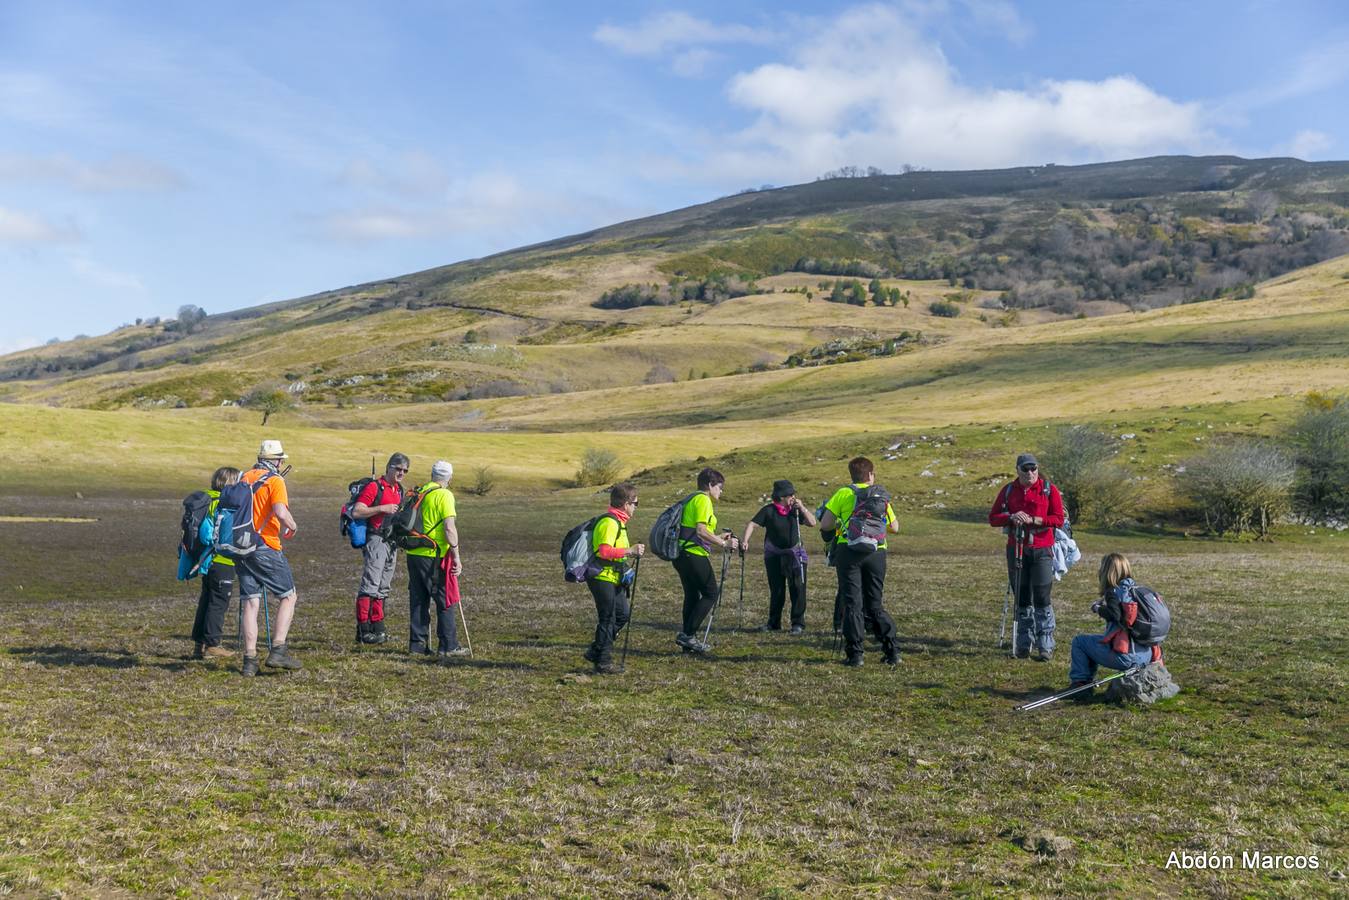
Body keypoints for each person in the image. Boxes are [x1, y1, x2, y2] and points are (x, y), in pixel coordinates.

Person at [819, 457, 901, 667]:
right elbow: (895, 527)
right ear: (871, 475)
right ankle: (892, 650)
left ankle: (855, 655)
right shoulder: (880, 496)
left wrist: (842, 521)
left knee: (853, 603)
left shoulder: (843, 493)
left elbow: (826, 524)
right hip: (877, 552)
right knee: (874, 605)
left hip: (849, 550)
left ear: (851, 475)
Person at [988, 452, 1065, 661]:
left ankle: (1045, 644)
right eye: (1026, 469)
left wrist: (1034, 520)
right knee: (1021, 597)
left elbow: (1058, 519)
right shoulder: (1009, 491)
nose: (1030, 472)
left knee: (1042, 595)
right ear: (1018, 470)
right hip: (1017, 548)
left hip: (1042, 549)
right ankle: (1023, 643)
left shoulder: (1049, 490)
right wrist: (1011, 517)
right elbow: (993, 518)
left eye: (1034, 468)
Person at [237, 440, 302, 676]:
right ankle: (278, 650)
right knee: (288, 596)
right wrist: (293, 525)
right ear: (276, 460)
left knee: (250, 602)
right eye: (281, 459)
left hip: (241, 546)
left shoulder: (244, 477)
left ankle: (249, 660)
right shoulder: (275, 480)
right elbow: (280, 511)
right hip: (265, 545)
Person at [1067, 553, 1164, 700]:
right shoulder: (1137, 592)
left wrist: (1098, 608)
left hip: (1126, 658)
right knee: (1095, 641)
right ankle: (1084, 681)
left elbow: (1115, 615)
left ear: (1107, 572)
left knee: (1080, 642)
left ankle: (1081, 684)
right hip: (1147, 656)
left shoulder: (1113, 592)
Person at [403, 460, 468, 659]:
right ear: (449, 477)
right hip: (434, 555)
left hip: (413, 553)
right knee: (444, 598)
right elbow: (449, 528)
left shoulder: (420, 492)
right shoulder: (444, 495)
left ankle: (417, 645)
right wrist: (456, 555)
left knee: (418, 599)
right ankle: (448, 645)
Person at [673, 467, 740, 654]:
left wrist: (718, 537)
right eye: (719, 487)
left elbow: (695, 532)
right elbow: (701, 531)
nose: (721, 491)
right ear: (710, 485)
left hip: (682, 554)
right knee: (711, 593)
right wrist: (723, 543)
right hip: (693, 554)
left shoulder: (692, 499)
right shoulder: (703, 499)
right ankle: (688, 635)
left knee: (692, 596)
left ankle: (687, 642)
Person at [582, 482, 644, 674]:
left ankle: (596, 649)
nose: (636, 507)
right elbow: (604, 551)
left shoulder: (619, 523)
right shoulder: (609, 522)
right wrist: (630, 550)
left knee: (622, 615)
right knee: (607, 618)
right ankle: (603, 662)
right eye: (635, 503)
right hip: (601, 577)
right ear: (625, 504)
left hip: (613, 577)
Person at [742, 479, 816, 634]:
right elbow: (752, 524)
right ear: (782, 496)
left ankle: (798, 623)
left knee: (798, 588)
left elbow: (812, 523)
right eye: (791, 495)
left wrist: (802, 507)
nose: (793, 497)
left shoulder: (796, 511)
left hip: (795, 555)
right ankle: (773, 623)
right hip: (774, 556)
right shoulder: (768, 510)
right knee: (777, 590)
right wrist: (745, 540)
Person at [350, 453, 408, 645]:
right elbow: (357, 511)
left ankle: (378, 628)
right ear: (389, 467)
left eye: (404, 470)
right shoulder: (375, 487)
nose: (401, 473)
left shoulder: (399, 489)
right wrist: (382, 508)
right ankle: (363, 630)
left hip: (391, 542)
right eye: (398, 469)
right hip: (375, 539)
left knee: (383, 587)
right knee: (370, 584)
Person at [190, 466, 240, 660]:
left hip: (206, 560)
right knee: (218, 602)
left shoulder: (207, 500)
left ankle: (199, 645)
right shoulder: (225, 505)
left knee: (206, 600)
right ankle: (213, 644)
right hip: (223, 560)